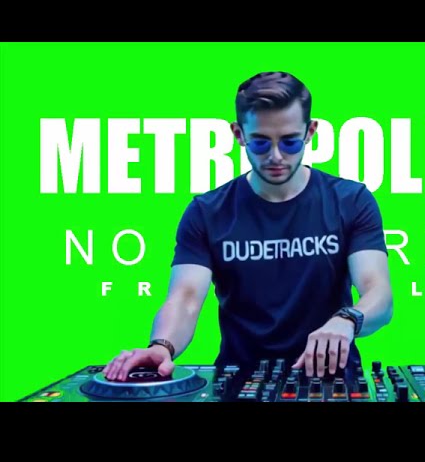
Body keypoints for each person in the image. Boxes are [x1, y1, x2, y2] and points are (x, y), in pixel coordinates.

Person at [103, 71, 393, 382]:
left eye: (290, 142)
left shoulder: (351, 200)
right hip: (238, 382)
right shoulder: (207, 212)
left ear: (310, 132)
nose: (276, 156)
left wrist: (347, 320)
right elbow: (185, 298)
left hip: (332, 381)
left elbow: (378, 292)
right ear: (239, 134)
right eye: (260, 143)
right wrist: (162, 346)